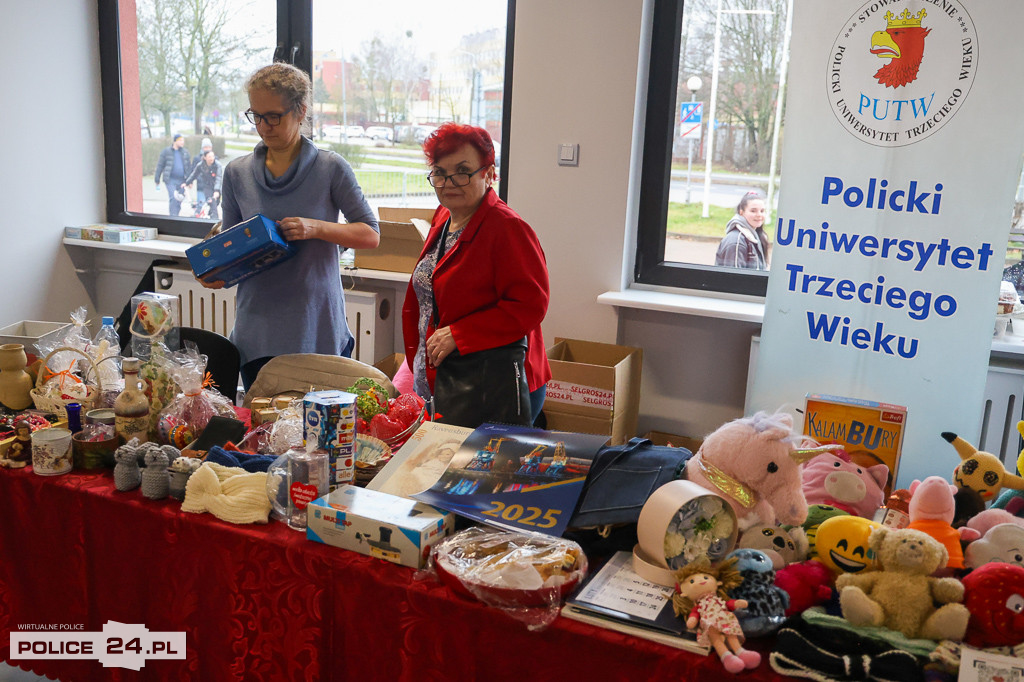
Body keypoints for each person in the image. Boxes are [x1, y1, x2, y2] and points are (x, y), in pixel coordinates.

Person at [203, 62, 380, 390]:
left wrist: (317, 228)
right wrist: (215, 272)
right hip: (257, 331)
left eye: (273, 116)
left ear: (300, 111)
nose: (263, 126)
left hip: (318, 328)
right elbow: (232, 248)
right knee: (262, 434)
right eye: (256, 115)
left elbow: (370, 234)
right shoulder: (237, 173)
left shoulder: (330, 168)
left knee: (319, 436)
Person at [401, 122, 551, 426]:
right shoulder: (446, 216)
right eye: (440, 173)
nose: (449, 182)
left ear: (488, 173)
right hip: (446, 378)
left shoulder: (507, 227)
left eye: (462, 171)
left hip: (492, 386)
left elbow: (531, 304)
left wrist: (461, 334)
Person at [714, 191, 769, 270]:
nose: (759, 215)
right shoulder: (736, 242)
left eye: (762, 211)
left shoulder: (757, 237)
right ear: (741, 212)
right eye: (753, 211)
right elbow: (733, 278)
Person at [154, 133, 191, 216]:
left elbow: (189, 167)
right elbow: (160, 165)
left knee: (179, 198)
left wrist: (189, 181)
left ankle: (175, 215)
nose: (182, 142)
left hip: (182, 180)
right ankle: (173, 217)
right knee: (173, 198)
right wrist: (157, 178)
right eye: (180, 140)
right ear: (175, 141)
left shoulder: (185, 152)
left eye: (183, 141)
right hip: (170, 180)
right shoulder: (166, 152)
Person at [184, 149, 224, 219]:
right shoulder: (200, 165)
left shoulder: (218, 165)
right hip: (207, 186)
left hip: (216, 186)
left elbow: (218, 178)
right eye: (209, 157)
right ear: (205, 157)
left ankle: (209, 216)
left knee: (215, 204)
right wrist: (187, 183)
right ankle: (215, 219)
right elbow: (194, 175)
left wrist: (216, 191)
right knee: (212, 202)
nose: (212, 158)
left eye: (213, 156)